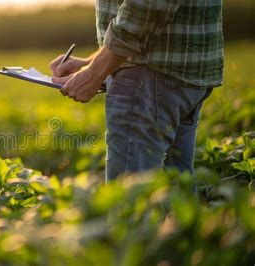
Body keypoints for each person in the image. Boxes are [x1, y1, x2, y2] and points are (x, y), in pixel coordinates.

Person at [50, 1, 223, 182]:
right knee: (177, 195)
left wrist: (95, 72)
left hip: (146, 79)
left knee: (131, 199)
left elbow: (146, 6)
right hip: (177, 74)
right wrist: (92, 62)